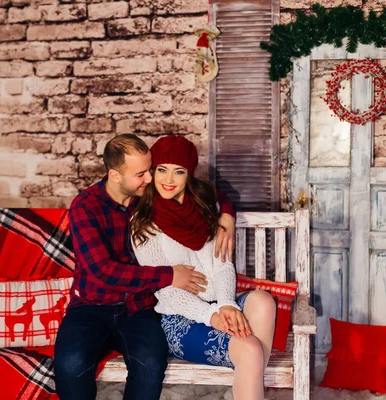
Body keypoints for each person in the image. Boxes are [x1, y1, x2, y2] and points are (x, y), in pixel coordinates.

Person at [54, 134, 237, 400]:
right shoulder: (85, 207)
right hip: (91, 307)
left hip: (139, 308)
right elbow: (103, 271)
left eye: (150, 171)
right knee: (70, 366)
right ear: (115, 176)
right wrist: (169, 274)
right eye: (142, 174)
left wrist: (227, 215)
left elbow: (203, 191)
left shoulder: (147, 196)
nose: (151, 179)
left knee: (150, 365)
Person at [131, 135, 276, 400]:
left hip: (217, 305)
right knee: (250, 349)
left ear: (189, 174)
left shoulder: (205, 209)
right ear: (152, 172)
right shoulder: (143, 223)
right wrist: (213, 316)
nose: (169, 179)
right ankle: (249, 383)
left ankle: (246, 386)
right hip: (178, 318)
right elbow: (166, 291)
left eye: (179, 171)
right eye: (162, 169)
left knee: (263, 302)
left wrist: (227, 305)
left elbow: (221, 265)